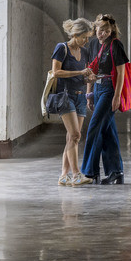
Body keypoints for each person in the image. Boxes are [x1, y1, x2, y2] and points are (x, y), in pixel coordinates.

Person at [78, 13, 129, 185]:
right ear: (95, 29)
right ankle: (116, 172)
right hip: (97, 88)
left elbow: (121, 72)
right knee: (107, 132)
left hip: (109, 89)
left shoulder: (116, 45)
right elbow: (90, 70)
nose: (103, 34)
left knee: (94, 127)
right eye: (100, 30)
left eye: (107, 31)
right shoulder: (93, 44)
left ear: (111, 30)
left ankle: (89, 172)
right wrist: (89, 93)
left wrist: (117, 96)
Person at [49, 18, 94, 186]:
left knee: (72, 137)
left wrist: (90, 77)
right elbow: (56, 72)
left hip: (80, 96)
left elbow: (85, 73)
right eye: (84, 37)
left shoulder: (85, 51)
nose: (87, 41)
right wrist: (78, 72)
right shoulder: (62, 48)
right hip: (65, 96)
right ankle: (76, 175)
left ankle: (63, 175)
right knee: (75, 135)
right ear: (75, 34)